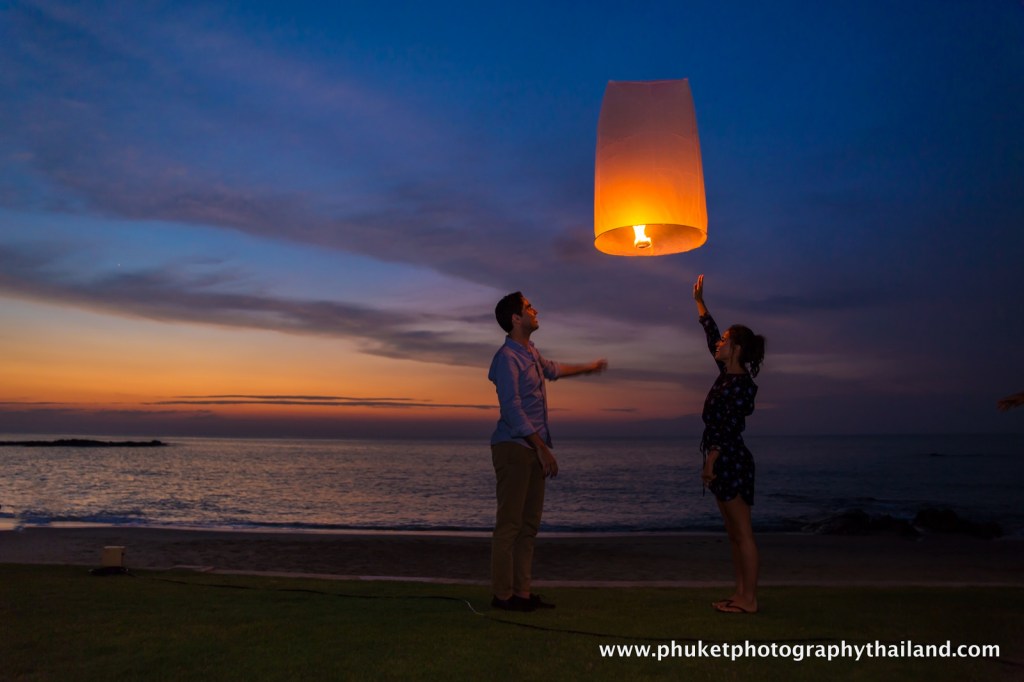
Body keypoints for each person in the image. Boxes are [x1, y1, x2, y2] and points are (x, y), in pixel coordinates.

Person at [488, 291, 607, 612]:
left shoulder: (530, 352)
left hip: (533, 448)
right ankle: (503, 597)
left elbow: (552, 370)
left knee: (529, 526)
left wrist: (589, 368)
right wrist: (541, 448)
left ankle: (522, 594)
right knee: (510, 526)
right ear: (516, 318)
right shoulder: (507, 358)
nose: (535, 309)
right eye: (528, 307)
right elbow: (512, 409)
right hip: (514, 448)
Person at [693, 274, 766, 615]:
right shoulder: (727, 375)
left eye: (725, 340)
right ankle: (740, 595)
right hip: (723, 456)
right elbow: (711, 337)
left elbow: (727, 428)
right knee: (733, 533)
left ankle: (749, 600)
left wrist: (711, 462)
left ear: (736, 349)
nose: (719, 343)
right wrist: (700, 304)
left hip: (730, 458)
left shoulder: (739, 385)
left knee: (742, 531)